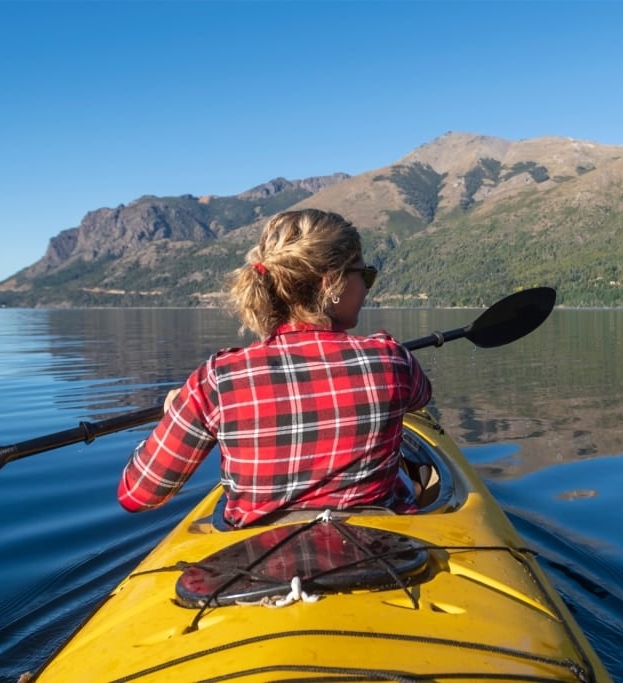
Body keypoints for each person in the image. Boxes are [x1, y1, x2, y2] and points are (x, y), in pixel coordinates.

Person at [117, 208, 433, 528]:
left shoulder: (218, 379)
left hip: (257, 565)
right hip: (382, 552)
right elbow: (420, 398)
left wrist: (176, 413)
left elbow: (137, 495)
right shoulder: (392, 360)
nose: (367, 288)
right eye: (365, 276)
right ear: (330, 283)